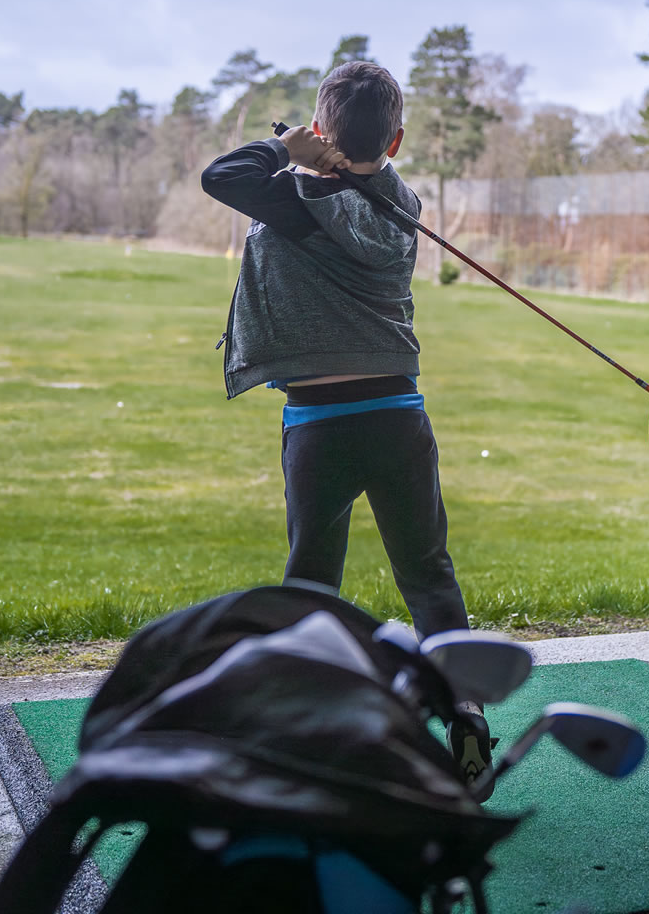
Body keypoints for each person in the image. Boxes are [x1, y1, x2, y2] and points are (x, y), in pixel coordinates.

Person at [199, 61, 494, 797]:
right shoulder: (401, 200)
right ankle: (466, 716)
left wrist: (288, 149)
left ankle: (309, 733)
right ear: (395, 139)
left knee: (312, 585)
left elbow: (220, 175)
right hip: (398, 415)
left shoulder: (292, 200)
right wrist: (324, 155)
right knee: (428, 577)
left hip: (319, 424)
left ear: (324, 130)